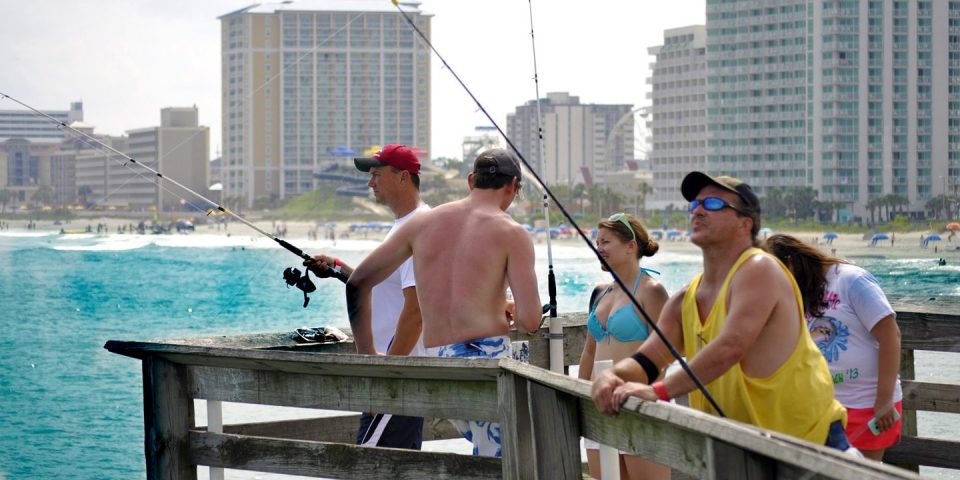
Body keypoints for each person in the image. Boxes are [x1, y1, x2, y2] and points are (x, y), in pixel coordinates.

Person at [591, 172, 851, 453]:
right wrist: (612, 376)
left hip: (809, 442)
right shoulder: (684, 299)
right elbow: (649, 358)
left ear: (745, 223)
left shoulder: (759, 268)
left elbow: (730, 348)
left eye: (713, 204)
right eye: (695, 204)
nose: (699, 210)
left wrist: (657, 391)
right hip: (741, 448)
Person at [346, 148, 542, 457]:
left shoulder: (422, 224)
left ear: (469, 181)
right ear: (513, 187)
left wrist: (369, 357)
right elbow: (530, 320)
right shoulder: (512, 232)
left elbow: (357, 283)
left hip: (439, 364)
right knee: (512, 461)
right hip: (485, 367)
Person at [304, 144, 429, 451]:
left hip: (398, 379)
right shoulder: (404, 226)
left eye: (376, 174)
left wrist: (386, 375)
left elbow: (416, 310)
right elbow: (384, 283)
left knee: (373, 465)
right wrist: (337, 268)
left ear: (403, 178)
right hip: (393, 376)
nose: (370, 183)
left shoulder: (418, 228)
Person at [763, 234, 902, 461]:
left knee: (861, 476)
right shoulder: (797, 292)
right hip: (823, 408)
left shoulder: (851, 280)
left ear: (790, 261)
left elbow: (891, 335)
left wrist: (884, 400)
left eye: (775, 272)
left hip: (868, 404)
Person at [578, 212, 670, 480]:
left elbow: (663, 355)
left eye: (606, 242)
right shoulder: (599, 292)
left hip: (638, 406)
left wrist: (647, 398)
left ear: (631, 246)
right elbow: (589, 351)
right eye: (598, 242)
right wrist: (578, 395)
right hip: (599, 407)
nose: (599, 248)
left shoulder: (652, 291)